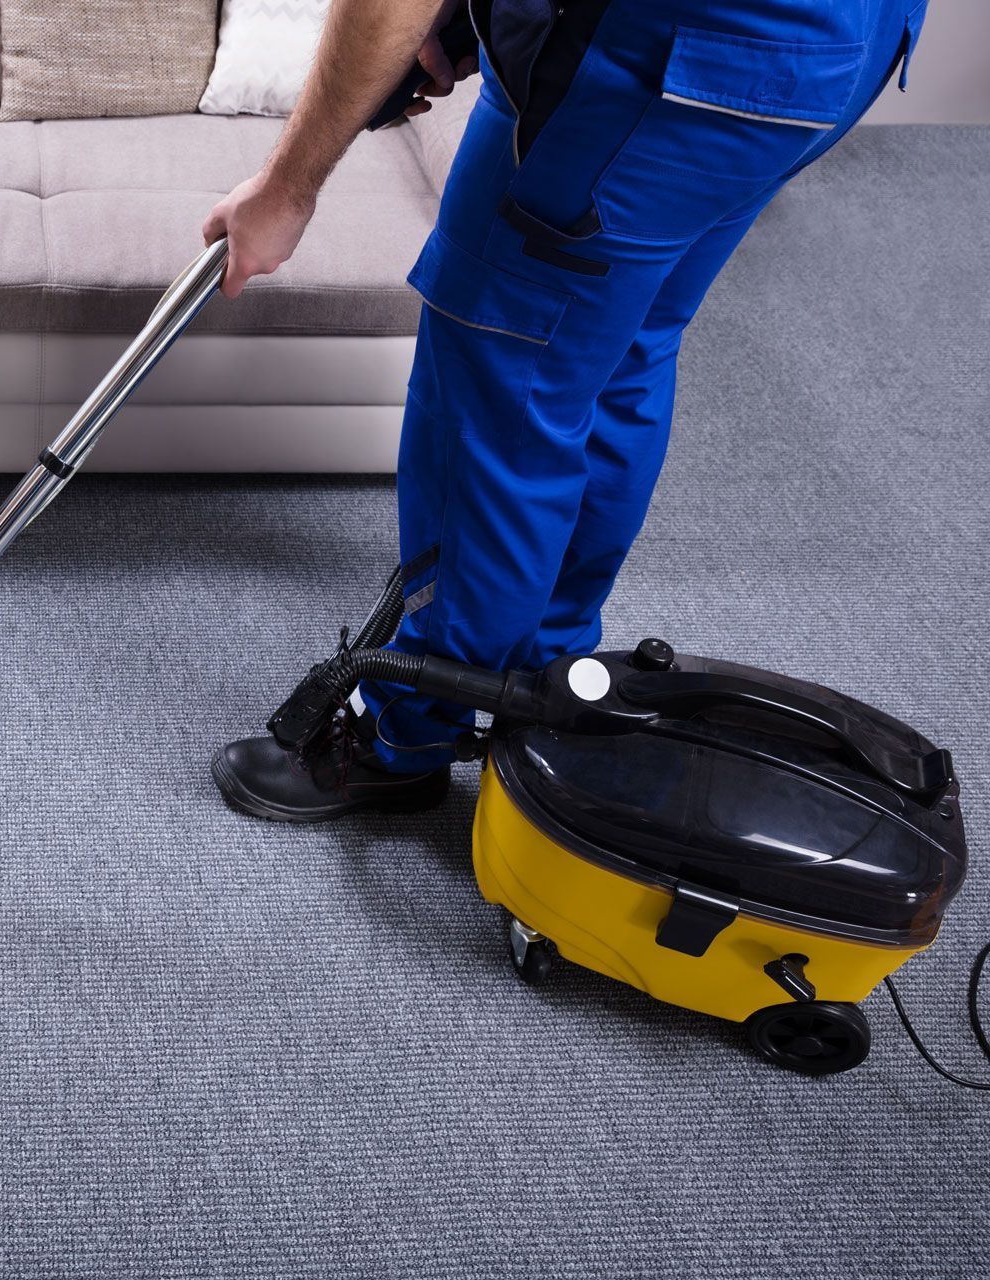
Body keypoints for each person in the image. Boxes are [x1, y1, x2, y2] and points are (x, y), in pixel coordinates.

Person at [206, 0, 930, 822]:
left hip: (666, 58)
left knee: (502, 373)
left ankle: (404, 737)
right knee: (620, 350)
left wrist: (287, 187)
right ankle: (549, 677)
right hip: (829, 54)